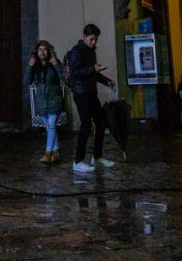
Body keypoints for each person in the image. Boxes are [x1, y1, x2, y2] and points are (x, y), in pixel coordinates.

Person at [65, 23, 116, 173]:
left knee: (101, 123)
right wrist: (92, 68)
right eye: (91, 39)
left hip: (91, 93)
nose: (94, 42)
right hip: (81, 94)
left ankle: (97, 156)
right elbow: (75, 72)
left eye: (96, 39)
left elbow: (93, 73)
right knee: (86, 125)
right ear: (84, 36)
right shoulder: (77, 51)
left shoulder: (91, 51)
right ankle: (78, 161)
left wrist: (107, 81)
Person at [26, 40, 65, 164]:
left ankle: (48, 153)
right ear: (36, 52)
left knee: (51, 125)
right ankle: (56, 151)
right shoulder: (34, 65)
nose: (42, 52)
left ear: (49, 51)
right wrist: (29, 66)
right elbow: (27, 81)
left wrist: (56, 66)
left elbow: (64, 78)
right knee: (49, 127)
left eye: (45, 49)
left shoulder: (54, 62)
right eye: (40, 50)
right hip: (41, 100)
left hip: (54, 99)